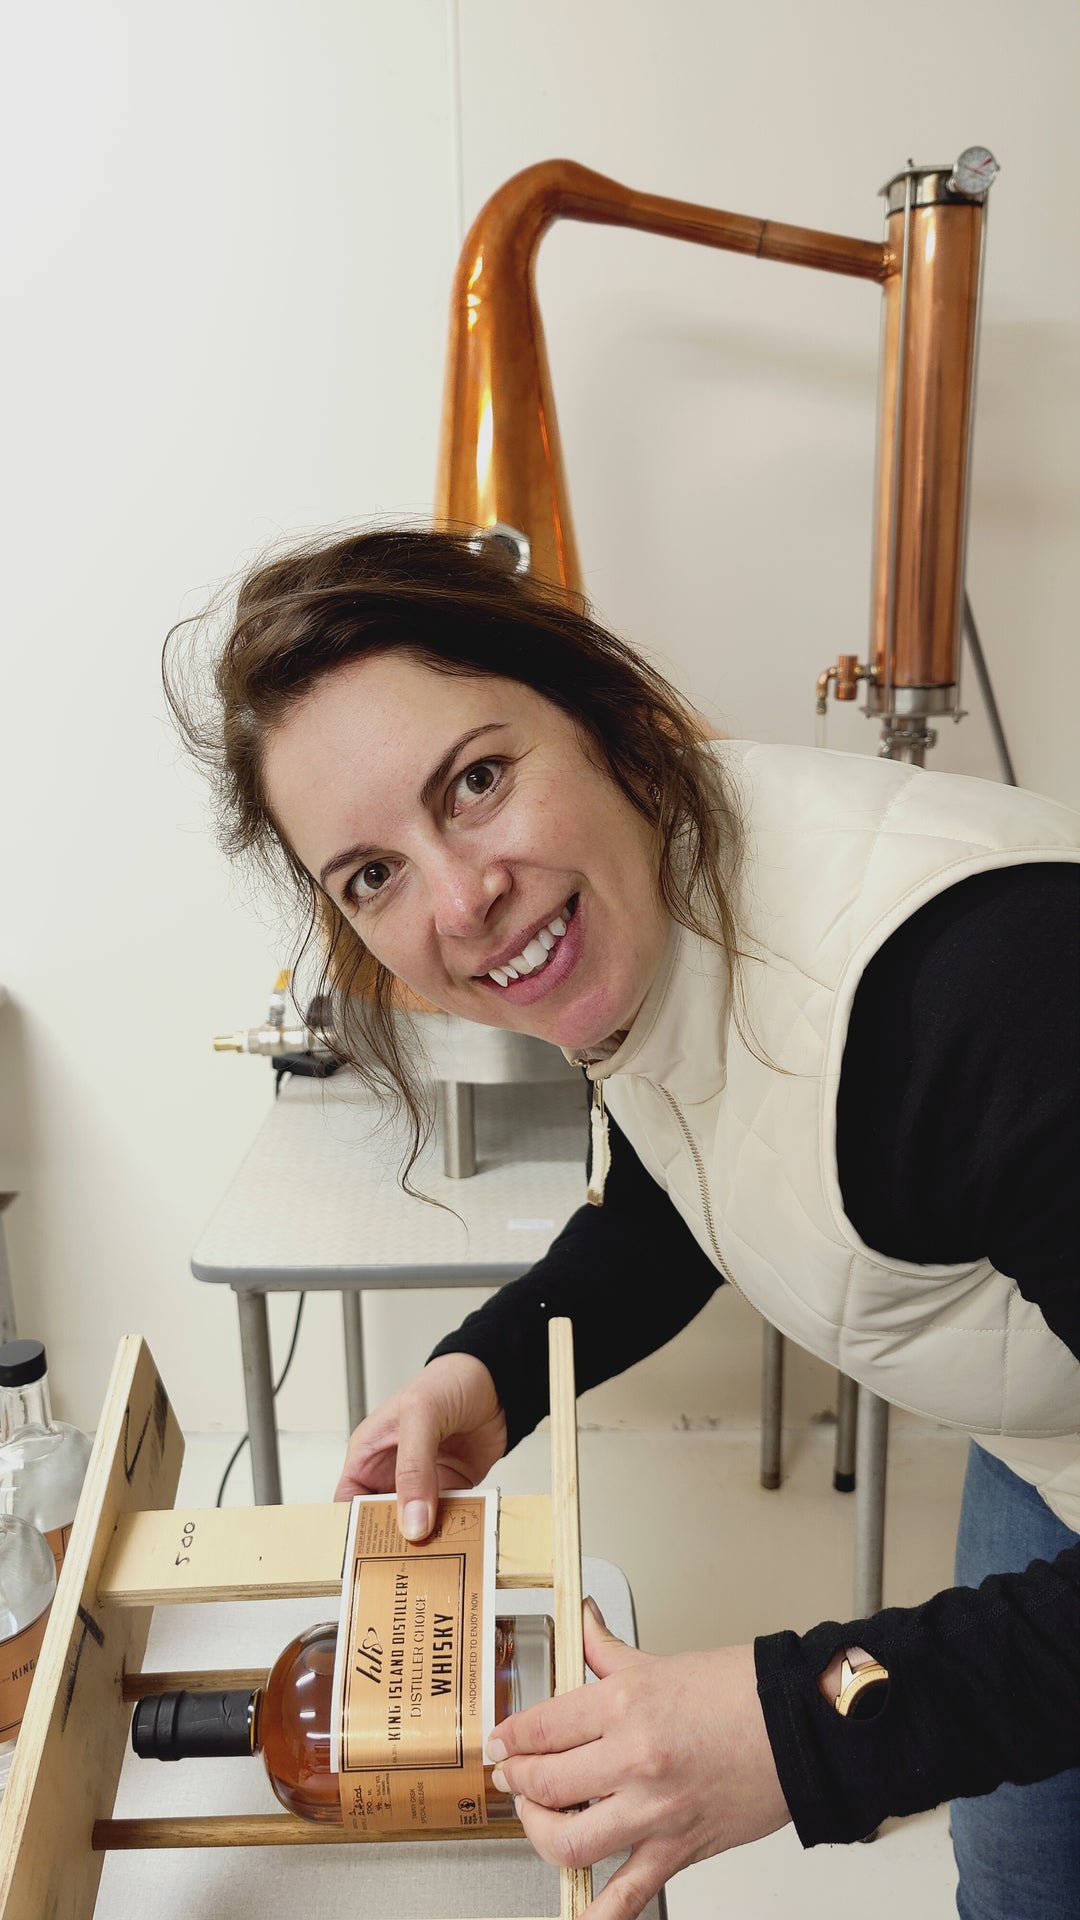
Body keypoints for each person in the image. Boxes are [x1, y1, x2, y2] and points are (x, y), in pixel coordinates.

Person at [169, 525, 1080, 1920]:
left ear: (601, 715)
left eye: (475, 782)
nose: (462, 904)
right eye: (373, 874)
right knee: (1022, 1877)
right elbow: (697, 1169)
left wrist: (801, 1723)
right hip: (1053, 1418)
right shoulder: (669, 886)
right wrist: (489, 1370)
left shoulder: (988, 1006)